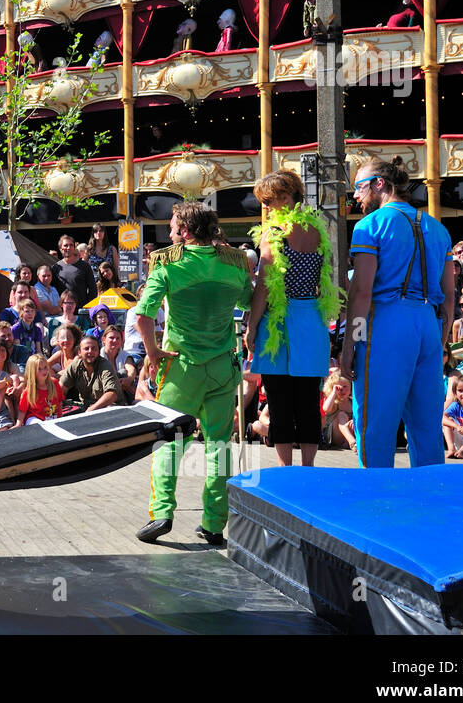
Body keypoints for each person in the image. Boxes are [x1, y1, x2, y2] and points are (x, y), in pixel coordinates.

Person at [135, 201, 252, 547]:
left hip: (181, 366)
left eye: (172, 227)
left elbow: (143, 316)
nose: (169, 233)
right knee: (219, 446)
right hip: (222, 366)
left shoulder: (168, 264)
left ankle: (162, 513)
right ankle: (214, 525)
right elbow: (248, 301)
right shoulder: (234, 263)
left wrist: (153, 352)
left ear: (185, 232)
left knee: (168, 442)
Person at [340, 156, 454, 469]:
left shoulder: (369, 226)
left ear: (380, 184)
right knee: (426, 424)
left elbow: (362, 293)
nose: (356, 196)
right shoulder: (438, 229)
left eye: (360, 187)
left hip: (387, 323)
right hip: (426, 323)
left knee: (375, 422)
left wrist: (350, 344)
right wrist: (440, 341)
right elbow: (449, 298)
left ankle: (376, 499)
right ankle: (430, 494)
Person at [245, 170, 338, 468]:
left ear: (286, 197)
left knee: (279, 398)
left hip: (280, 323)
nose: (267, 208)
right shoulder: (317, 229)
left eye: (270, 201)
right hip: (311, 319)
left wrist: (253, 325)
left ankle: (287, 468)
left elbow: (264, 285)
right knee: (309, 399)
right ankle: (308, 466)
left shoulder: (274, 233)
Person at [59, 334, 119, 412]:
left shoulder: (105, 366)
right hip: (84, 407)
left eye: (94, 349)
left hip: (108, 408)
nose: (90, 351)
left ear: (98, 351)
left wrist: (92, 409)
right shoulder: (75, 365)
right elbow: (61, 388)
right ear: (79, 352)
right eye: (86, 349)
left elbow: (112, 394)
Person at [16, 355, 64, 425]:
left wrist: (61, 417)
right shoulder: (29, 391)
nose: (44, 371)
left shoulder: (54, 383)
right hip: (35, 419)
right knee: (36, 423)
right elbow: (22, 410)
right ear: (32, 372)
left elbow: (59, 402)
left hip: (52, 418)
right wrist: (18, 424)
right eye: (39, 369)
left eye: (45, 367)